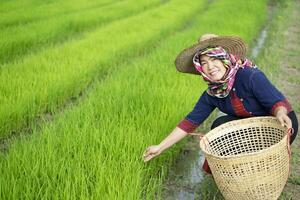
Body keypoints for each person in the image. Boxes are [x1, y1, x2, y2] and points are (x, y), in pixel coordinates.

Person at [142, 33, 298, 173]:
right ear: (200, 68)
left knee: (256, 163)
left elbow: (276, 103)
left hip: (279, 124)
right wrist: (160, 147)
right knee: (219, 125)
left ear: (224, 59)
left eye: (214, 59)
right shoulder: (213, 93)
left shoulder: (249, 76)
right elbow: (189, 122)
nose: (210, 67)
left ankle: (259, 168)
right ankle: (240, 173)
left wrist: (280, 113)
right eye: (204, 62)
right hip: (251, 128)